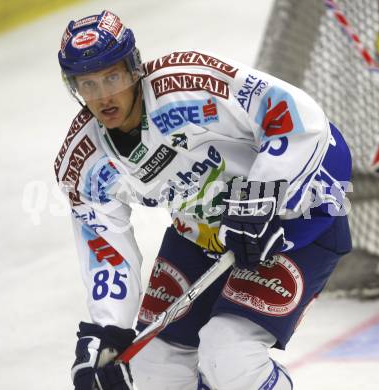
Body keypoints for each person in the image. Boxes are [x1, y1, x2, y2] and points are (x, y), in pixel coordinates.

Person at [55, 10, 352, 390]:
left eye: (111, 77)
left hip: (295, 217)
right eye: (88, 83)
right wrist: (106, 329)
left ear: (133, 69)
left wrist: (260, 196)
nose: (103, 96)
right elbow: (105, 248)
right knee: (149, 371)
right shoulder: (85, 162)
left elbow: (298, 116)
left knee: (228, 357)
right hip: (202, 235)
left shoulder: (189, 83)